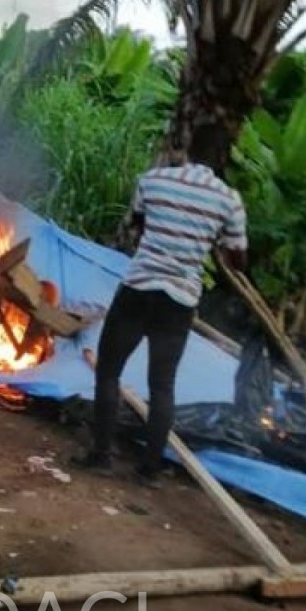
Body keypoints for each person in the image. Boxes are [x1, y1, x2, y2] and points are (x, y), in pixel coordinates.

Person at [71, 125, 249, 487]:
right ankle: (150, 470)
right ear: (222, 159)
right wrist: (205, 240)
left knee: (108, 371)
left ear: (187, 150)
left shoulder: (153, 181)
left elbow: (135, 227)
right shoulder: (228, 200)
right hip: (180, 299)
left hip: (139, 288)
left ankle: (101, 456)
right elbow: (238, 257)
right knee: (162, 385)